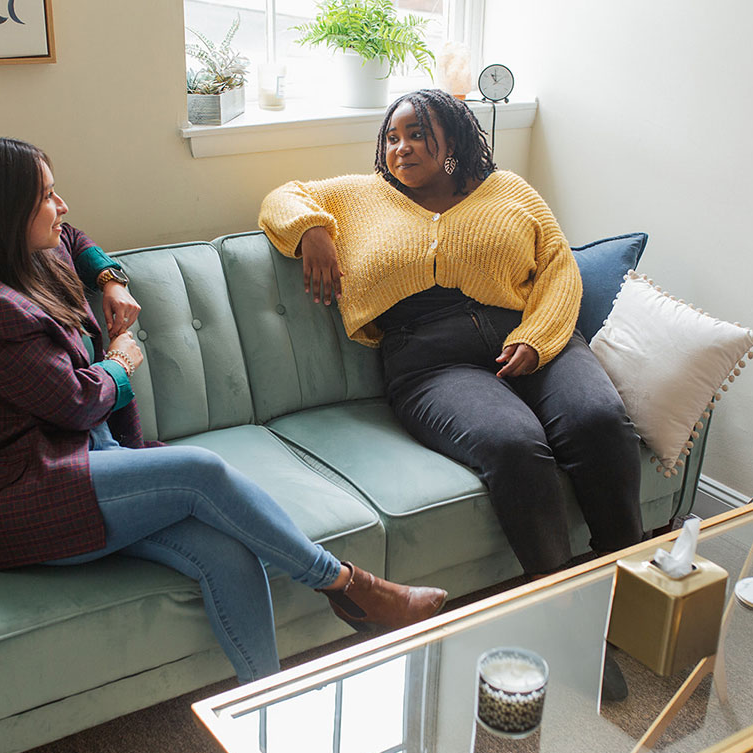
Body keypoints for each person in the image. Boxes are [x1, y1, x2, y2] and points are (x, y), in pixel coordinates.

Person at [0, 136, 447, 684]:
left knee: (227, 554)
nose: (63, 206)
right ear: (1, 213)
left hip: (86, 464)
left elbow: (73, 238)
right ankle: (346, 586)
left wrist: (109, 279)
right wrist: (122, 363)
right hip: (24, 494)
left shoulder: (27, 255)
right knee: (200, 471)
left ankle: (261, 698)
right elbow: (77, 402)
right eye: (47, 197)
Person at [259, 89, 644, 578]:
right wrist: (311, 229)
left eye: (418, 134)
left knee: (599, 420)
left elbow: (558, 266)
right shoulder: (360, 195)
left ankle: (630, 574)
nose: (402, 147)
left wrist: (538, 337)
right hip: (431, 361)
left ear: (455, 138)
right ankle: (557, 595)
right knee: (513, 445)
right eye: (393, 138)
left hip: (530, 335)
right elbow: (280, 197)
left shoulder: (510, 190)